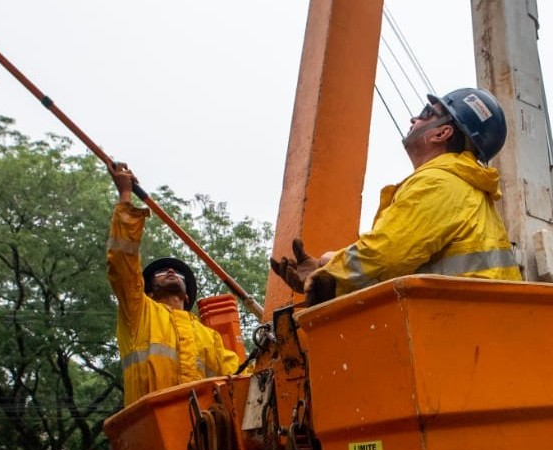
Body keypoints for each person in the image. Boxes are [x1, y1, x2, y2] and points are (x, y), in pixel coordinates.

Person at [271, 87, 522, 305]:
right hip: (471, 325)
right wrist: (327, 267)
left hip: (458, 329)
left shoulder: (439, 183)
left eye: (426, 113)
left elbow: (387, 254)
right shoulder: (460, 186)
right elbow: (399, 253)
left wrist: (327, 280)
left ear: (441, 133)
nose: (414, 117)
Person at [107, 163, 240, 405]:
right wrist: (125, 195)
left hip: (204, 436)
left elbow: (240, 379)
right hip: (153, 431)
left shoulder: (210, 338)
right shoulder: (139, 312)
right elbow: (122, 264)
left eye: (178, 273)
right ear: (148, 290)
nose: (170, 271)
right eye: (160, 271)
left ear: (187, 296)